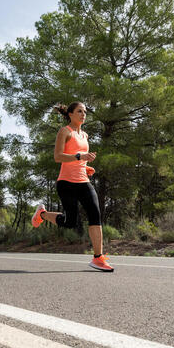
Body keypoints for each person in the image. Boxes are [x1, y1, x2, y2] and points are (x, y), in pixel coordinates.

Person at [31, 101, 114, 272]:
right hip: (66, 183)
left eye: (85, 112)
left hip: (84, 181)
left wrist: (85, 165)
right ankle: (43, 214)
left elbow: (79, 158)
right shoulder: (65, 132)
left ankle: (98, 258)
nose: (83, 114)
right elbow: (58, 156)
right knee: (70, 222)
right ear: (70, 114)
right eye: (79, 111)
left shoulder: (85, 135)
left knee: (95, 214)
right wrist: (79, 157)